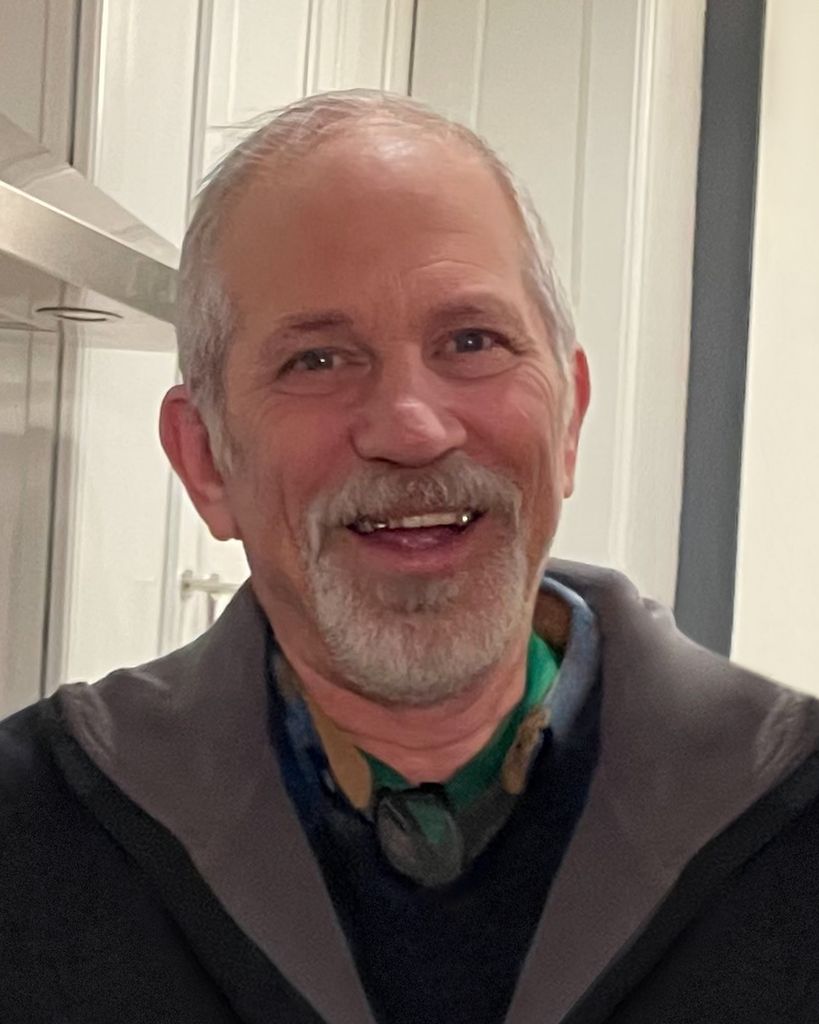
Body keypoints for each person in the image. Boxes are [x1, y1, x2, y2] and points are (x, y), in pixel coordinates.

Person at [2, 90, 819, 1024]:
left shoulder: (788, 826)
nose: (411, 427)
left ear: (567, 422)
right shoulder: (33, 841)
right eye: (317, 360)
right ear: (206, 461)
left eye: (471, 342)